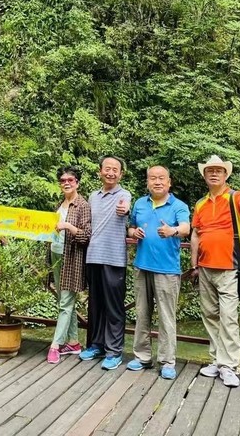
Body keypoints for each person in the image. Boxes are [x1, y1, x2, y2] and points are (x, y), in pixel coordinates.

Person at [189, 155, 240, 388]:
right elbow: (196, 234)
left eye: (219, 170)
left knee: (228, 317)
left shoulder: (235, 196)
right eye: (210, 171)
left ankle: (229, 365)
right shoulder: (200, 203)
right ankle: (217, 360)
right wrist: (194, 265)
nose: (214, 174)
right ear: (204, 176)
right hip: (205, 267)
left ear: (226, 175)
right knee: (209, 315)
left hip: (229, 267)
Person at [126, 166, 190, 379]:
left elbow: (186, 228)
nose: (157, 182)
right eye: (153, 178)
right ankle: (142, 357)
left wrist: (173, 230)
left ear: (169, 182)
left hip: (167, 270)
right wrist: (134, 232)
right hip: (142, 266)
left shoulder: (178, 206)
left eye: (162, 178)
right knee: (142, 313)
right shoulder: (140, 203)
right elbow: (130, 227)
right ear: (147, 182)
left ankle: (167, 361)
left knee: (166, 317)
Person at [79, 155, 132, 370]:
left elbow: (125, 207)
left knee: (114, 306)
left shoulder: (124, 194)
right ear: (100, 171)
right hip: (93, 256)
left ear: (121, 174)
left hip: (114, 258)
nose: (110, 173)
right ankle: (96, 344)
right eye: (107, 169)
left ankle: (114, 350)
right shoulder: (93, 196)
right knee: (95, 304)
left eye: (115, 170)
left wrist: (124, 209)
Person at [47, 166, 92, 364]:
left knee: (65, 302)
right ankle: (73, 342)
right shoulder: (59, 204)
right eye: (63, 180)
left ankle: (55, 346)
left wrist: (67, 226)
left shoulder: (82, 205)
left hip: (72, 257)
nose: (66, 183)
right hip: (55, 254)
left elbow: (86, 235)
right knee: (64, 300)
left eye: (70, 180)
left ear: (77, 183)